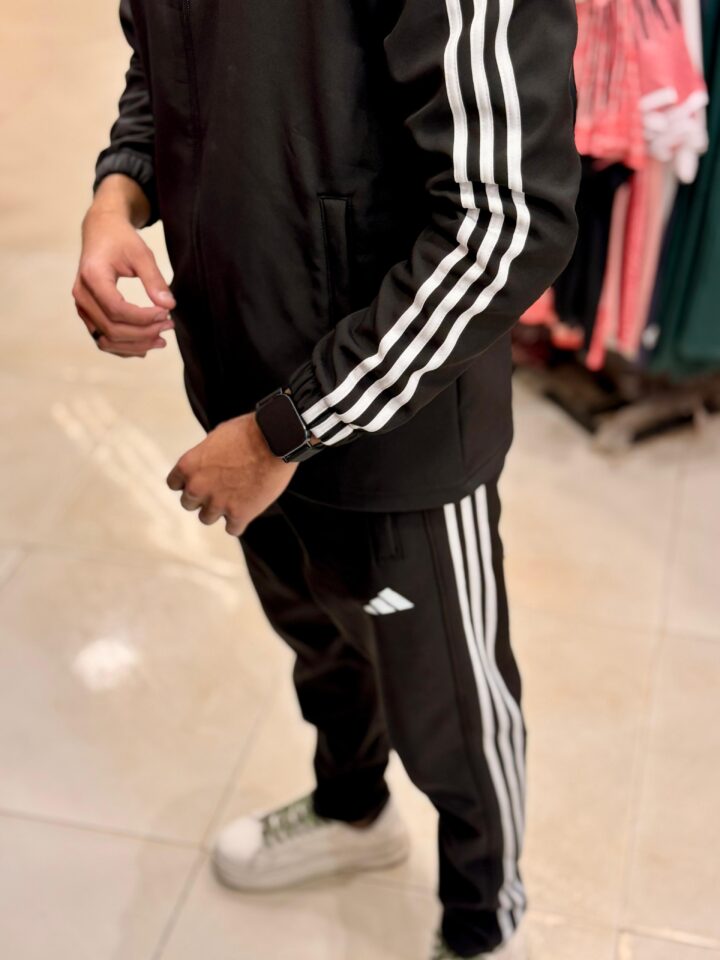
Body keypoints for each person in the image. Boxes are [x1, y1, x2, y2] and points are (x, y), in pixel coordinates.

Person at [73, 0, 580, 955]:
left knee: (454, 713)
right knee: (320, 643)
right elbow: (162, 68)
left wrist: (286, 431)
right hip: (240, 399)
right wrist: (117, 194)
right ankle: (354, 810)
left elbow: (506, 224)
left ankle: (483, 921)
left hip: (397, 438)